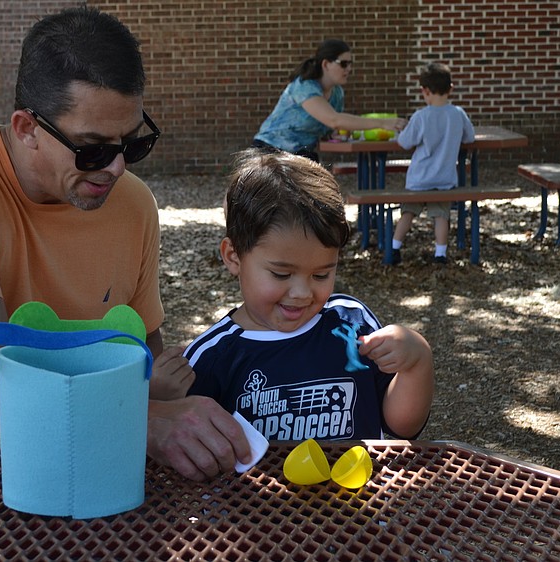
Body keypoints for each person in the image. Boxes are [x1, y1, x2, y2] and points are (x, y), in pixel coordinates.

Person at [0, 7, 251, 481]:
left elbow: (142, 357)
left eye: (131, 144)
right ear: (26, 129)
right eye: (92, 149)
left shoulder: (132, 203)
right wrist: (142, 421)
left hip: (96, 452)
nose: (116, 168)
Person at [182, 149, 434, 441]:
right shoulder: (212, 357)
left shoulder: (351, 324)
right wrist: (161, 397)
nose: (302, 293)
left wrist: (417, 361)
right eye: (281, 274)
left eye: (321, 275)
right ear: (233, 256)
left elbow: (403, 427)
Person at [252, 39, 407, 161]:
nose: (349, 69)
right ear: (326, 64)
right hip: (269, 152)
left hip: (300, 155)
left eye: (350, 64)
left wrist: (334, 135)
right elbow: (334, 120)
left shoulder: (337, 94)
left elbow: (332, 127)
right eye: (344, 64)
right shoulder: (304, 86)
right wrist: (384, 123)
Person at [390, 63, 475, 265]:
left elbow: (405, 142)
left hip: (419, 179)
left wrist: (399, 132)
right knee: (441, 215)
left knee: (408, 212)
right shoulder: (458, 114)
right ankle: (440, 253)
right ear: (451, 88)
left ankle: (394, 248)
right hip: (445, 179)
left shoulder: (421, 116)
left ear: (425, 91)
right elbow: (470, 137)